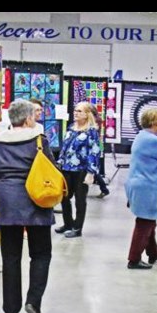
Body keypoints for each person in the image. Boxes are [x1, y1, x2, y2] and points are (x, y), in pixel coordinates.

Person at [0, 99, 53, 313]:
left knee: (11, 257)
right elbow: (52, 172)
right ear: (28, 118)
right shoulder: (39, 141)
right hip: (37, 200)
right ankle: (33, 301)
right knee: (41, 254)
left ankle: (11, 308)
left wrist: (3, 195)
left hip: (8, 202)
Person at [124, 106, 157, 270]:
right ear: (154, 122)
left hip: (138, 183)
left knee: (149, 221)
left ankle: (153, 252)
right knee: (145, 223)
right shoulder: (153, 141)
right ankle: (133, 258)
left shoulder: (141, 137)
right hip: (148, 186)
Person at [55, 101, 101, 238]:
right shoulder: (71, 128)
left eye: (79, 111)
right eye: (75, 110)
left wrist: (91, 172)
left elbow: (95, 152)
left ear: (87, 115)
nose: (76, 113)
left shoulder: (92, 131)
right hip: (66, 168)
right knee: (64, 197)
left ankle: (77, 227)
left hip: (81, 170)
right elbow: (65, 147)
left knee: (80, 200)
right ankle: (67, 223)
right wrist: (60, 162)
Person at [83, 102, 112, 198]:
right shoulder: (97, 119)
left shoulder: (94, 121)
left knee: (92, 170)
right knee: (91, 170)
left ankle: (104, 189)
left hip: (92, 146)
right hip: (95, 145)